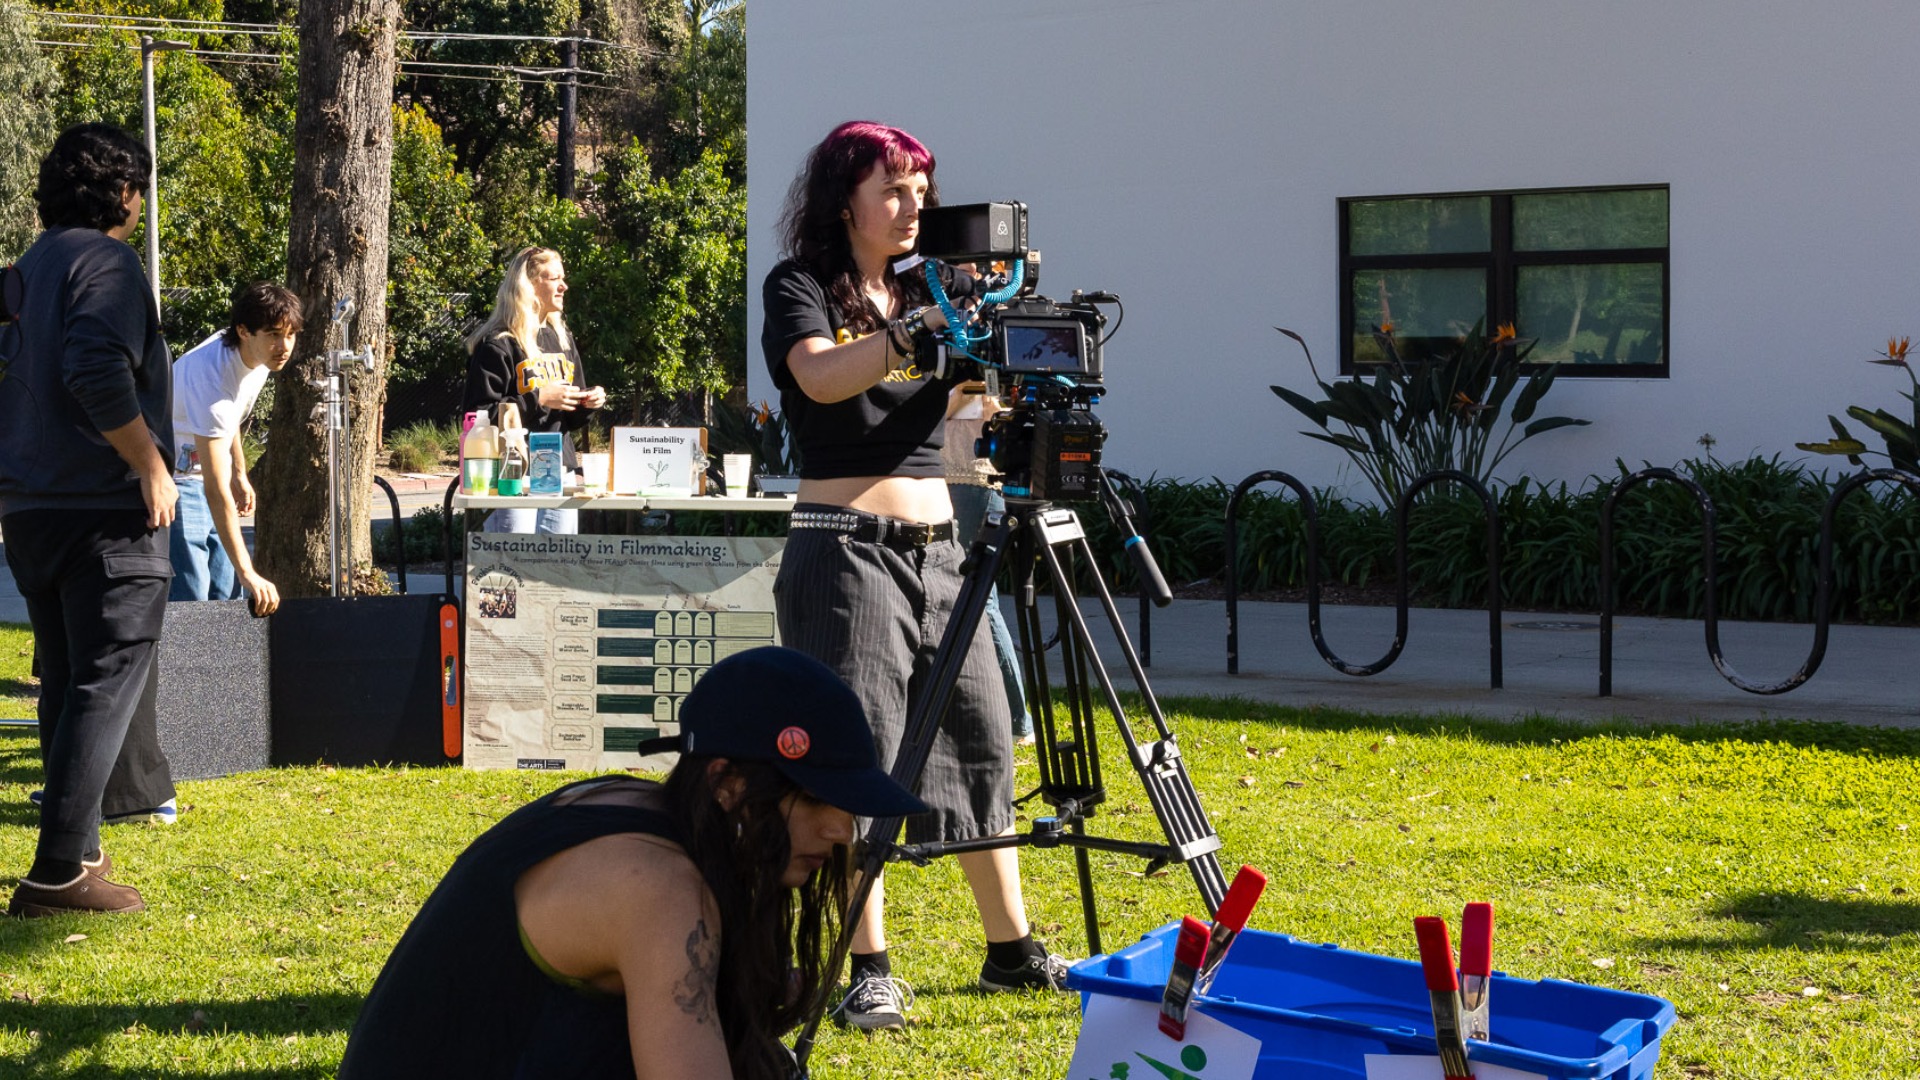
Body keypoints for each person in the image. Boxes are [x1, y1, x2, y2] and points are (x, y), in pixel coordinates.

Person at [761, 119, 1069, 1031]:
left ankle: (1009, 951)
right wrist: (920, 328)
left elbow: (966, 419)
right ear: (843, 196)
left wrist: (999, 345)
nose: (912, 207)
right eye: (893, 189)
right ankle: (871, 966)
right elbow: (820, 379)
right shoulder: (804, 286)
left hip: (944, 553)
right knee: (856, 755)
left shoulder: (931, 289)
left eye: (921, 190)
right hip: (845, 547)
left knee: (980, 740)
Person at [338, 647, 927, 1080]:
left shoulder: (635, 804)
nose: (839, 829)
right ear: (726, 782)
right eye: (815, 799)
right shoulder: (661, 887)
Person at [0, 123, 175, 917]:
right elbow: (95, 366)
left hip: (32, 509)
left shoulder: (29, 268)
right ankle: (57, 874)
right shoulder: (107, 262)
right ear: (125, 193)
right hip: (103, 511)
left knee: (68, 683)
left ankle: (84, 850)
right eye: (138, 188)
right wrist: (149, 463)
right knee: (104, 683)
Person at [168, 281, 302, 614]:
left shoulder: (256, 360)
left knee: (225, 591)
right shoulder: (210, 375)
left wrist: (240, 473)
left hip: (206, 472)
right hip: (175, 482)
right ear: (243, 331)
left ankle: (225, 667)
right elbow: (215, 490)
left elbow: (230, 421)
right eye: (273, 334)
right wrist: (250, 574)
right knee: (193, 597)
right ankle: (185, 666)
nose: (283, 346)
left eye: (290, 334)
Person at [461, 246, 606, 535]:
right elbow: (477, 415)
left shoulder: (561, 339)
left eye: (562, 278)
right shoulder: (498, 343)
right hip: (512, 473)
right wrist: (537, 399)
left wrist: (587, 403)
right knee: (511, 568)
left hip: (558, 470)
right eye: (554, 278)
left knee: (557, 568)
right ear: (528, 284)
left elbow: (568, 419)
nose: (564, 286)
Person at [943, 387, 1035, 745]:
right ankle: (1013, 718)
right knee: (981, 599)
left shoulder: (976, 365)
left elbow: (950, 409)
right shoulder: (970, 360)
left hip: (969, 480)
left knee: (978, 600)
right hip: (965, 481)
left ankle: (1017, 719)